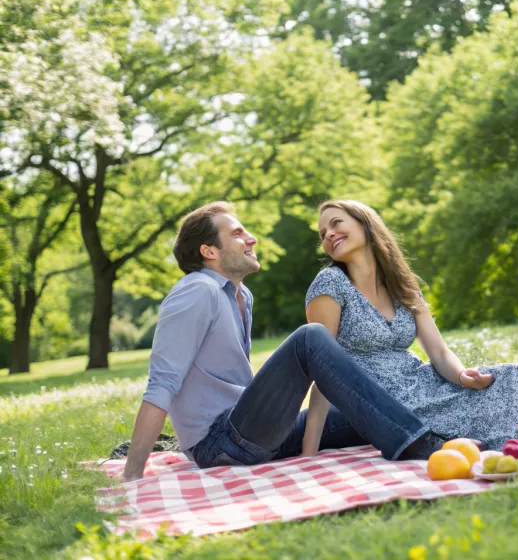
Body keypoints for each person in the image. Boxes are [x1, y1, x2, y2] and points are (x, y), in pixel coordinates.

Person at [121, 201, 447, 481]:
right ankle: (418, 446)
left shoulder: (240, 295)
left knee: (373, 406)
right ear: (209, 251)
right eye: (237, 234)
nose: (252, 238)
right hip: (220, 443)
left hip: (255, 431)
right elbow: (163, 382)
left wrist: (307, 450)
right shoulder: (197, 290)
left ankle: (444, 435)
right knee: (311, 337)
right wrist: (132, 476)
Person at [301, 200, 518, 456]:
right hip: (391, 405)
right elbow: (323, 371)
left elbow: (438, 351)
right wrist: (308, 454)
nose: (328, 234)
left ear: (365, 224)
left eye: (336, 223)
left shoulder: (400, 283)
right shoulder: (330, 284)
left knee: (514, 377)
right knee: (502, 414)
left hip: (426, 382)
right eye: (322, 233)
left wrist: (462, 376)